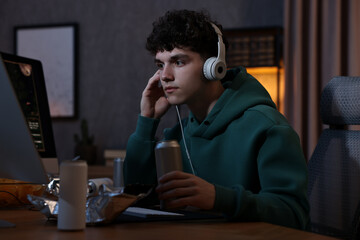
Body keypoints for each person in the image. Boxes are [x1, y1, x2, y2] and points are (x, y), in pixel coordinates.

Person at [124, 9, 309, 230]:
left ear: (214, 67)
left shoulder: (268, 128)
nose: (165, 76)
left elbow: (294, 214)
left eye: (179, 62)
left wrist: (219, 198)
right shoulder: (177, 135)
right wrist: (147, 122)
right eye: (160, 65)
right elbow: (135, 197)